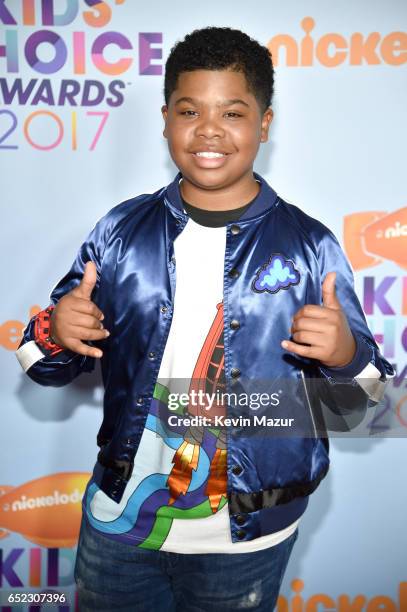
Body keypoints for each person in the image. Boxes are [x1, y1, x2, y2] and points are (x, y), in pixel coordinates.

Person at [15, 27, 394, 612]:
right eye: (190, 110)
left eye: (233, 112)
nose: (210, 129)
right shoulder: (119, 233)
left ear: (265, 125)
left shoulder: (309, 247)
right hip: (118, 520)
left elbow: (363, 409)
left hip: (247, 536)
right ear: (165, 119)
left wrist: (347, 356)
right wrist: (55, 332)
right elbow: (44, 368)